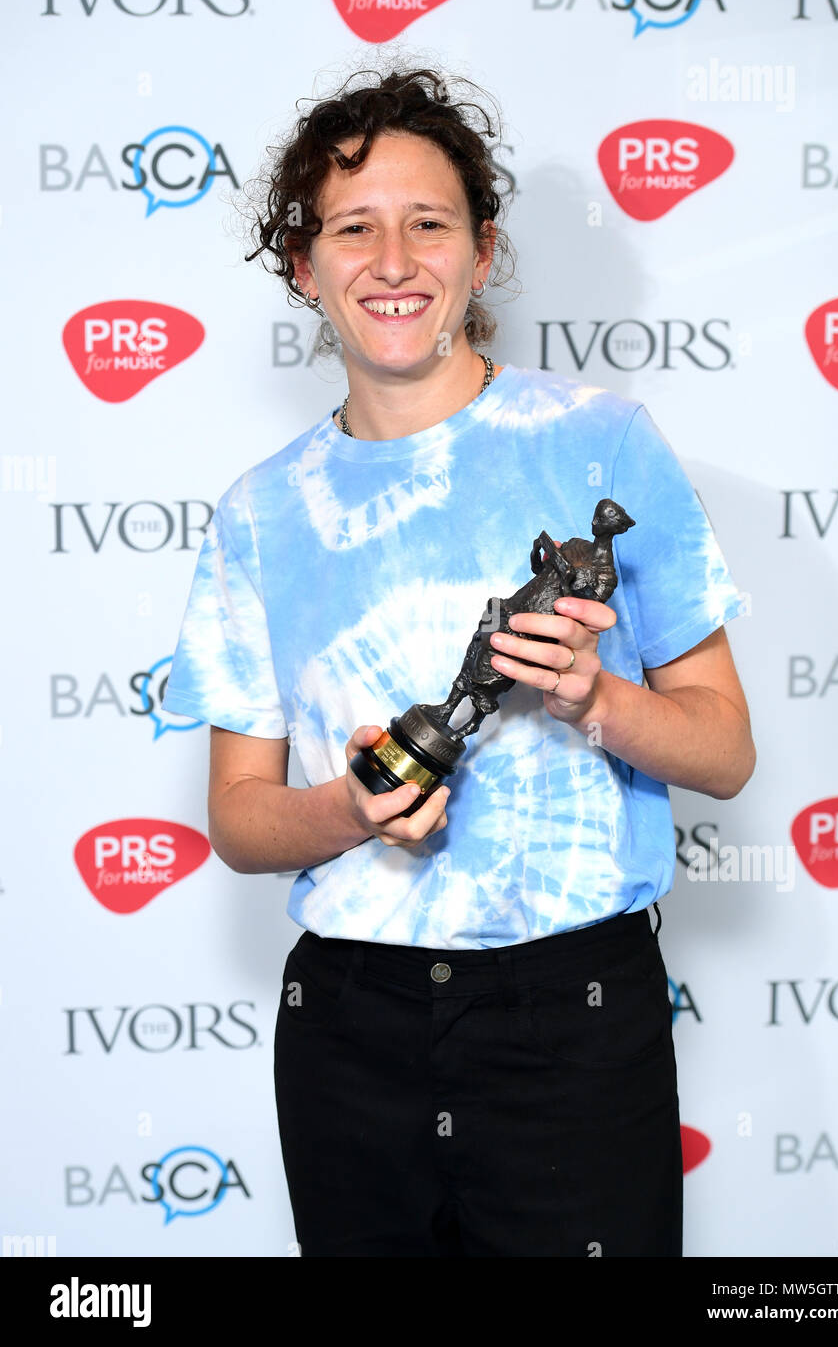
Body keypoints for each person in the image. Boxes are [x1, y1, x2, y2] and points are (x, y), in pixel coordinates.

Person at [162, 62, 756, 1258]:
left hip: (573, 1023)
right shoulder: (258, 513)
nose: (392, 260)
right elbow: (237, 819)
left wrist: (596, 701)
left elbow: (727, 752)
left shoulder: (597, 443)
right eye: (352, 228)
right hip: (348, 1032)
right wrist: (351, 807)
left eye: (427, 223)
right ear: (303, 264)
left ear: (481, 254)